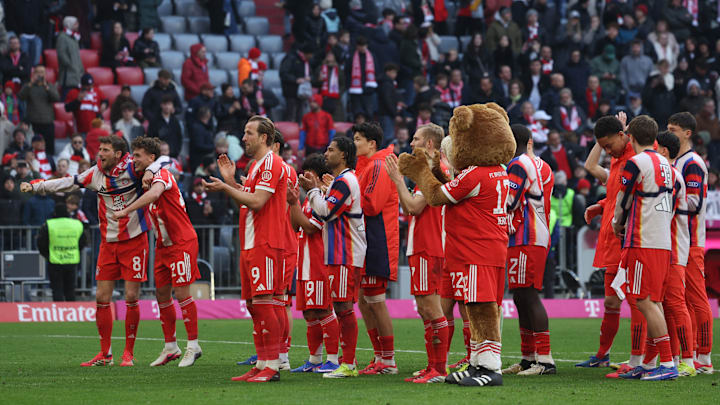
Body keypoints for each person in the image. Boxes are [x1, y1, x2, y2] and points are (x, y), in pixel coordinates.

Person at [20, 134, 169, 368]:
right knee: (101, 298)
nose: (100, 154)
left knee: (131, 297)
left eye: (105, 150)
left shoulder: (134, 167)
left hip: (134, 239)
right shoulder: (95, 173)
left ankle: (128, 353)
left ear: (118, 154)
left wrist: (151, 171)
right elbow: (67, 181)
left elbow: (164, 161)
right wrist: (37, 185)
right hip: (108, 243)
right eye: (100, 149)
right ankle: (104, 353)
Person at [203, 116, 288, 383]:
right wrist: (232, 181)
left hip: (266, 241)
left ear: (264, 137)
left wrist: (227, 187)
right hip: (251, 242)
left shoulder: (272, 163)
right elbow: (248, 197)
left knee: (265, 304)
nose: (243, 138)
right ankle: (262, 362)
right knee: (254, 304)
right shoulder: (255, 166)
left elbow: (258, 201)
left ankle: (272, 364)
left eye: (249, 133)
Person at [113, 136, 202, 368]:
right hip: (163, 246)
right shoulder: (148, 176)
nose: (135, 160)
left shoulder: (161, 174)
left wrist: (126, 211)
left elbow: (154, 195)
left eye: (139, 156)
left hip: (182, 241)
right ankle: (171, 346)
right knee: (161, 295)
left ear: (151, 158)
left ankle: (193, 345)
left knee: (182, 294)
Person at [579, 114, 648, 377]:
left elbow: (635, 198)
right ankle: (602, 356)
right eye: (603, 147)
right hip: (610, 241)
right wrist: (601, 207)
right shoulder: (618, 159)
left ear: (623, 136)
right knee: (610, 301)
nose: (607, 151)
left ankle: (638, 358)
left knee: (637, 301)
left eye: (609, 145)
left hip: (628, 240)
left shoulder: (636, 159)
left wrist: (626, 130)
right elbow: (616, 195)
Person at [611, 115, 677, 381]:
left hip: (642, 239)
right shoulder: (668, 165)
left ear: (631, 136)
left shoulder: (635, 163)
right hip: (662, 240)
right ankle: (650, 363)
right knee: (653, 301)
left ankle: (668, 363)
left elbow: (623, 199)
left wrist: (617, 223)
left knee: (644, 301)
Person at [385, 123, 449, 383]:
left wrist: (398, 181)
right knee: (424, 309)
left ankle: (439, 370)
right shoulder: (427, 172)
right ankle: (432, 366)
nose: (411, 144)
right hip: (421, 245)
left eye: (416, 139)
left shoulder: (432, 172)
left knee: (432, 309)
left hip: (429, 246)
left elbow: (413, 207)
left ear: (430, 144)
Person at [300, 135, 366, 378]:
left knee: (344, 308)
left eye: (330, 150)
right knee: (341, 307)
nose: (325, 154)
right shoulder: (341, 181)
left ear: (344, 155)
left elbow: (326, 212)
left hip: (345, 253)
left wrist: (313, 191)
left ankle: (348, 363)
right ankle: (346, 362)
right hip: (340, 253)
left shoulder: (345, 181)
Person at [501, 125, 555, 376]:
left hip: (527, 235)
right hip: (531, 234)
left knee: (528, 294)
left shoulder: (518, 165)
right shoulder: (541, 165)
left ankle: (545, 361)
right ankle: (528, 358)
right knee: (521, 295)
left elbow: (509, 201)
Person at [667, 112, 714, 373]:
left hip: (692, 240)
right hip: (681, 240)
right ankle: (692, 353)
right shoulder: (679, 162)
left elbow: (694, 203)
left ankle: (704, 357)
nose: (669, 132)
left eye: (673, 130)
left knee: (696, 298)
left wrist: (667, 204)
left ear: (687, 134)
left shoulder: (692, 163)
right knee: (682, 299)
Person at [286, 153, 341, 374]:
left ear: (317, 177)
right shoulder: (308, 199)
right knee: (310, 312)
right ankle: (314, 359)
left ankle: (333, 359)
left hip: (318, 261)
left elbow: (310, 228)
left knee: (323, 309)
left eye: (306, 173)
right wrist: (294, 202)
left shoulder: (323, 198)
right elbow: (295, 225)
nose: (301, 177)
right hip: (305, 261)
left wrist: (295, 203)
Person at [353, 122, 399, 375]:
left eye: (358, 139)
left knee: (375, 300)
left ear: (372, 143)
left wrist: (344, 197)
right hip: (366, 241)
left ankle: (389, 361)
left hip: (378, 240)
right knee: (364, 300)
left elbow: (371, 205)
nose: (355, 143)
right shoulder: (366, 167)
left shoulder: (380, 165)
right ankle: (379, 356)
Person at [655, 130, 697, 376]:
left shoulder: (673, 176)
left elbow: (664, 210)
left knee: (676, 304)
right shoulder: (668, 174)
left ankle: (688, 361)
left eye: (655, 146)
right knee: (667, 305)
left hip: (672, 249)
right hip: (664, 247)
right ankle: (671, 357)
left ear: (663, 151)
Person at [37, 202, 86, 302]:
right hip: (72, 260)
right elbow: (83, 242)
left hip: (55, 261)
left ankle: (59, 313)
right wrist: (75, 251)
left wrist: (47, 255)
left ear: (55, 213)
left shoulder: (49, 224)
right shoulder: (77, 224)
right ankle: (71, 314)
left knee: (57, 289)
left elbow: (41, 242)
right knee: (70, 289)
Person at [18, 66, 59, 155]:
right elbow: (21, 96)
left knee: (49, 149)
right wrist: (30, 84)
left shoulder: (49, 85)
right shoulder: (29, 86)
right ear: (34, 74)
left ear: (45, 74)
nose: (40, 74)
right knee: (33, 147)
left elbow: (56, 98)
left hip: (47, 122)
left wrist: (46, 87)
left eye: (42, 72)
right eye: (38, 72)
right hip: (34, 123)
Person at [280, 43, 314, 123]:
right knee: (291, 116)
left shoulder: (306, 62)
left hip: (302, 93)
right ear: (307, 53)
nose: (312, 56)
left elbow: (311, 73)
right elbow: (283, 73)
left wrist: (310, 78)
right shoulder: (291, 58)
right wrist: (296, 80)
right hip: (291, 92)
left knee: (300, 116)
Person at [347, 37, 378, 118]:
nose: (363, 47)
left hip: (369, 90)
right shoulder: (351, 57)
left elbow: (377, 70)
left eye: (364, 45)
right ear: (357, 46)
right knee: (357, 113)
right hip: (355, 91)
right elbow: (347, 72)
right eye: (361, 46)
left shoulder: (372, 56)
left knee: (369, 113)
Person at [56, 16, 84, 97]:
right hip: (67, 75)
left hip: (76, 74)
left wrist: (80, 69)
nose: (77, 25)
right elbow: (62, 55)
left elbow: (77, 56)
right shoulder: (62, 37)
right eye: (75, 24)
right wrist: (70, 65)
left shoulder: (74, 38)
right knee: (66, 97)